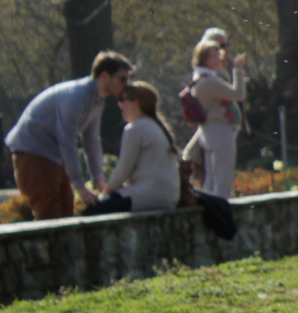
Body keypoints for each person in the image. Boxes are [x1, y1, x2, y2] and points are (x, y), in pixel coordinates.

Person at [4, 51, 133, 219]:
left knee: (66, 212)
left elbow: (91, 140)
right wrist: (80, 186)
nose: (127, 85)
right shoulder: (76, 97)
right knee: (48, 214)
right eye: (122, 79)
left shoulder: (97, 100)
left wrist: (98, 180)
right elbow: (67, 142)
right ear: (105, 76)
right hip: (33, 152)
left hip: (54, 156)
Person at [83, 82, 181, 215]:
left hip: (146, 196)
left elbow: (123, 171)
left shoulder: (135, 128)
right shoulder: (158, 127)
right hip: (169, 198)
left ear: (136, 103)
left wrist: (104, 193)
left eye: (123, 100)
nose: (120, 104)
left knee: (90, 213)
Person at [181, 32, 247, 199]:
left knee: (211, 181)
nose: (218, 58)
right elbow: (238, 94)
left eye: (218, 54)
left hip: (211, 133)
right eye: (213, 55)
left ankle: (211, 213)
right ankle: (221, 215)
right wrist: (238, 70)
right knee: (222, 182)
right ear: (203, 59)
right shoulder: (208, 81)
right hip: (220, 133)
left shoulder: (201, 78)